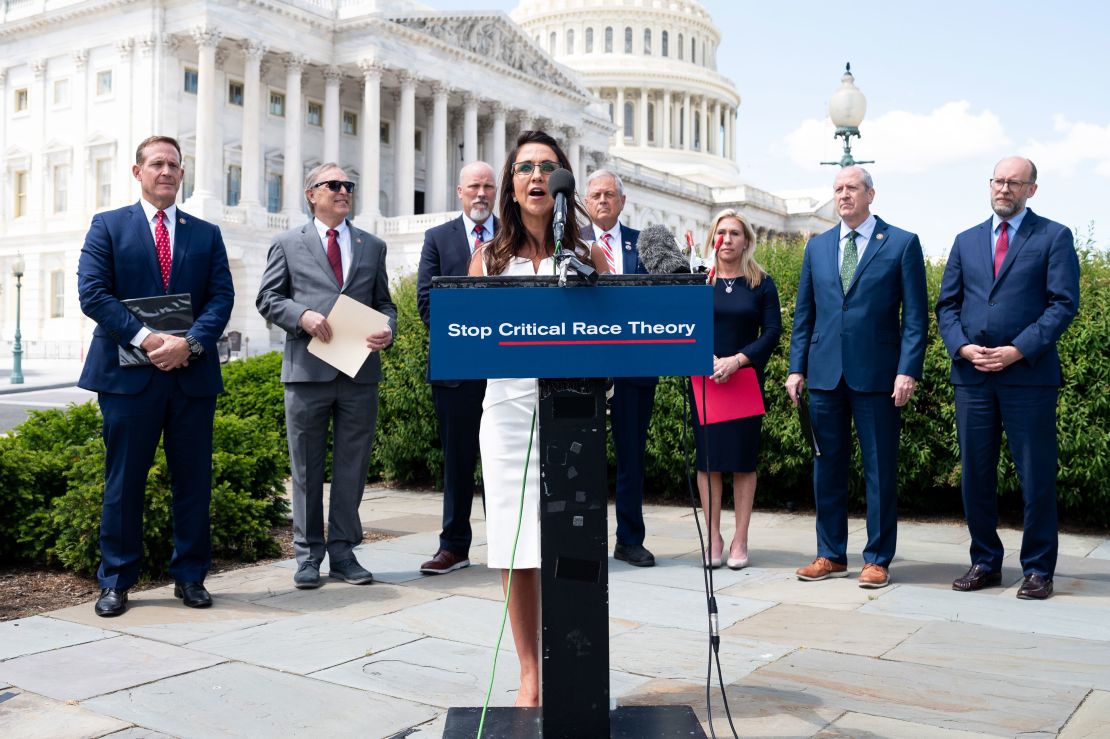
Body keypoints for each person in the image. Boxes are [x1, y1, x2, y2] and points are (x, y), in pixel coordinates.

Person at [468, 130, 610, 707]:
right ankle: (530, 675)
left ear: (563, 182)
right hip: (506, 415)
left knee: (572, 543)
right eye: (524, 167)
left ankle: (575, 664)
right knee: (514, 545)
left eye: (547, 168)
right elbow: (469, 335)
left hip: (572, 415)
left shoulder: (587, 254)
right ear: (510, 181)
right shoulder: (489, 257)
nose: (535, 178)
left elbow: (611, 335)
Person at [77, 135, 234, 617]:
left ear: (181, 175)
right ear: (137, 172)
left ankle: (190, 577)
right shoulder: (108, 227)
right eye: (157, 164)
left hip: (190, 375)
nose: (166, 171)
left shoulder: (205, 234)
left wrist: (187, 344)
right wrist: (149, 340)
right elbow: (93, 294)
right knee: (123, 482)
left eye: (174, 165)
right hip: (128, 381)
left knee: (193, 480)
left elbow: (221, 298)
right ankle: (116, 580)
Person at [936, 156, 1080, 600]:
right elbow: (947, 305)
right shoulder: (965, 240)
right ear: (989, 185)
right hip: (973, 376)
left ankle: (1038, 569)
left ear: (1031, 190)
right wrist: (961, 346)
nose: (1004, 189)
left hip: (1028, 377)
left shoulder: (1053, 236)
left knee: (1035, 475)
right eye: (998, 181)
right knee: (975, 475)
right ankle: (985, 562)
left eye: (1014, 183)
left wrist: (1019, 349)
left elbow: (1062, 304)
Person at [785, 165, 928, 589]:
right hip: (825, 374)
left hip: (879, 377)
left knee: (879, 470)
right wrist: (796, 368)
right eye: (838, 189)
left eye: (851, 188)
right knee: (825, 467)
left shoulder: (902, 244)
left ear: (870, 194)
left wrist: (908, 370)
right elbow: (804, 314)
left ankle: (878, 558)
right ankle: (830, 554)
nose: (843, 195)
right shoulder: (818, 247)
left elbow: (916, 318)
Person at [256, 162, 397, 590]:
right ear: (311, 193)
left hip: (358, 373)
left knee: (352, 468)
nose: (342, 190)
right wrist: (302, 315)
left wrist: (388, 329)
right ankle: (306, 556)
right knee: (306, 469)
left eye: (347, 185)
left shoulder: (371, 246)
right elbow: (267, 298)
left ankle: (342, 553)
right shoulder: (286, 242)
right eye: (333, 185)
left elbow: (386, 304)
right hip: (306, 373)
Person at [416, 161, 498, 575]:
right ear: (459, 192)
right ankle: (454, 546)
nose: (481, 194)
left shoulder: (513, 236)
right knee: (459, 461)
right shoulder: (437, 238)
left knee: (506, 460)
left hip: (507, 370)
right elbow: (427, 305)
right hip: (457, 369)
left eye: (488, 186)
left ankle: (508, 543)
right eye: (474, 187)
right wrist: (473, 335)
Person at [692, 210, 781, 569]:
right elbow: (683, 326)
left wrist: (738, 360)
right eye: (720, 233)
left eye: (734, 233)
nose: (726, 239)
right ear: (712, 238)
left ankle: (740, 538)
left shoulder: (761, 283)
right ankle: (713, 537)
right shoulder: (699, 282)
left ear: (747, 240)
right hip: (705, 379)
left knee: (743, 463)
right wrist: (707, 357)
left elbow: (772, 332)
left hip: (743, 381)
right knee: (708, 462)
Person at [581, 169, 657, 567]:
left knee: (631, 457)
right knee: (583, 457)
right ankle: (585, 536)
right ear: (585, 201)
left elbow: (658, 301)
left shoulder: (645, 245)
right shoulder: (569, 244)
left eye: (610, 194)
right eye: (595, 195)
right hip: (582, 369)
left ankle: (629, 539)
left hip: (633, 367)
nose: (603, 201)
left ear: (622, 201)